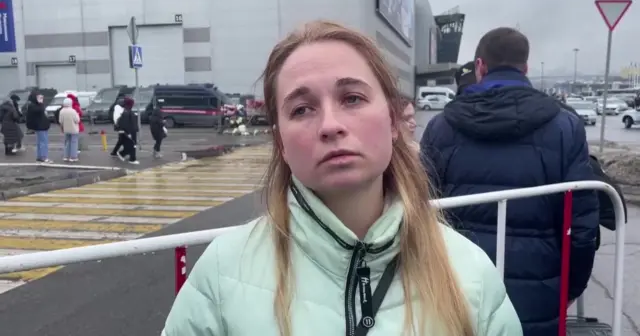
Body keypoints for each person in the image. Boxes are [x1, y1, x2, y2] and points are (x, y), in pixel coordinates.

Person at [162, 20, 522, 336]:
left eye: (352, 98)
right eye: (302, 109)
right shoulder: (222, 274)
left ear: (394, 121)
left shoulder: (470, 274)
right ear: (281, 143)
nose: (331, 126)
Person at [420, 27, 599, 336]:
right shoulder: (565, 126)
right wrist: (571, 287)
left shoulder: (441, 127)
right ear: (526, 68)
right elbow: (581, 224)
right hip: (539, 291)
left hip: (457, 285)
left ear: (479, 67)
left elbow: (420, 211)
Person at [26, 93, 52, 163]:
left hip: (41, 126)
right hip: (41, 126)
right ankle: (44, 157)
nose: (41, 99)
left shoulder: (33, 105)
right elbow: (40, 110)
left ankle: (40, 157)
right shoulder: (33, 106)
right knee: (43, 142)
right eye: (38, 97)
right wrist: (41, 103)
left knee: (40, 142)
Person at [116, 97, 139, 165]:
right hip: (130, 132)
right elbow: (125, 124)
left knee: (133, 145)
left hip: (132, 131)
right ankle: (127, 156)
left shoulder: (128, 111)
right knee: (132, 145)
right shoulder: (127, 112)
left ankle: (132, 158)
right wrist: (128, 133)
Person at [58, 98, 80, 162]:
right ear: (70, 103)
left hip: (66, 129)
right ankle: (73, 157)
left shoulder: (61, 111)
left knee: (67, 143)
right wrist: (78, 115)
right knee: (74, 143)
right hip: (74, 129)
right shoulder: (73, 111)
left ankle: (66, 156)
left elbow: (60, 121)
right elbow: (77, 120)